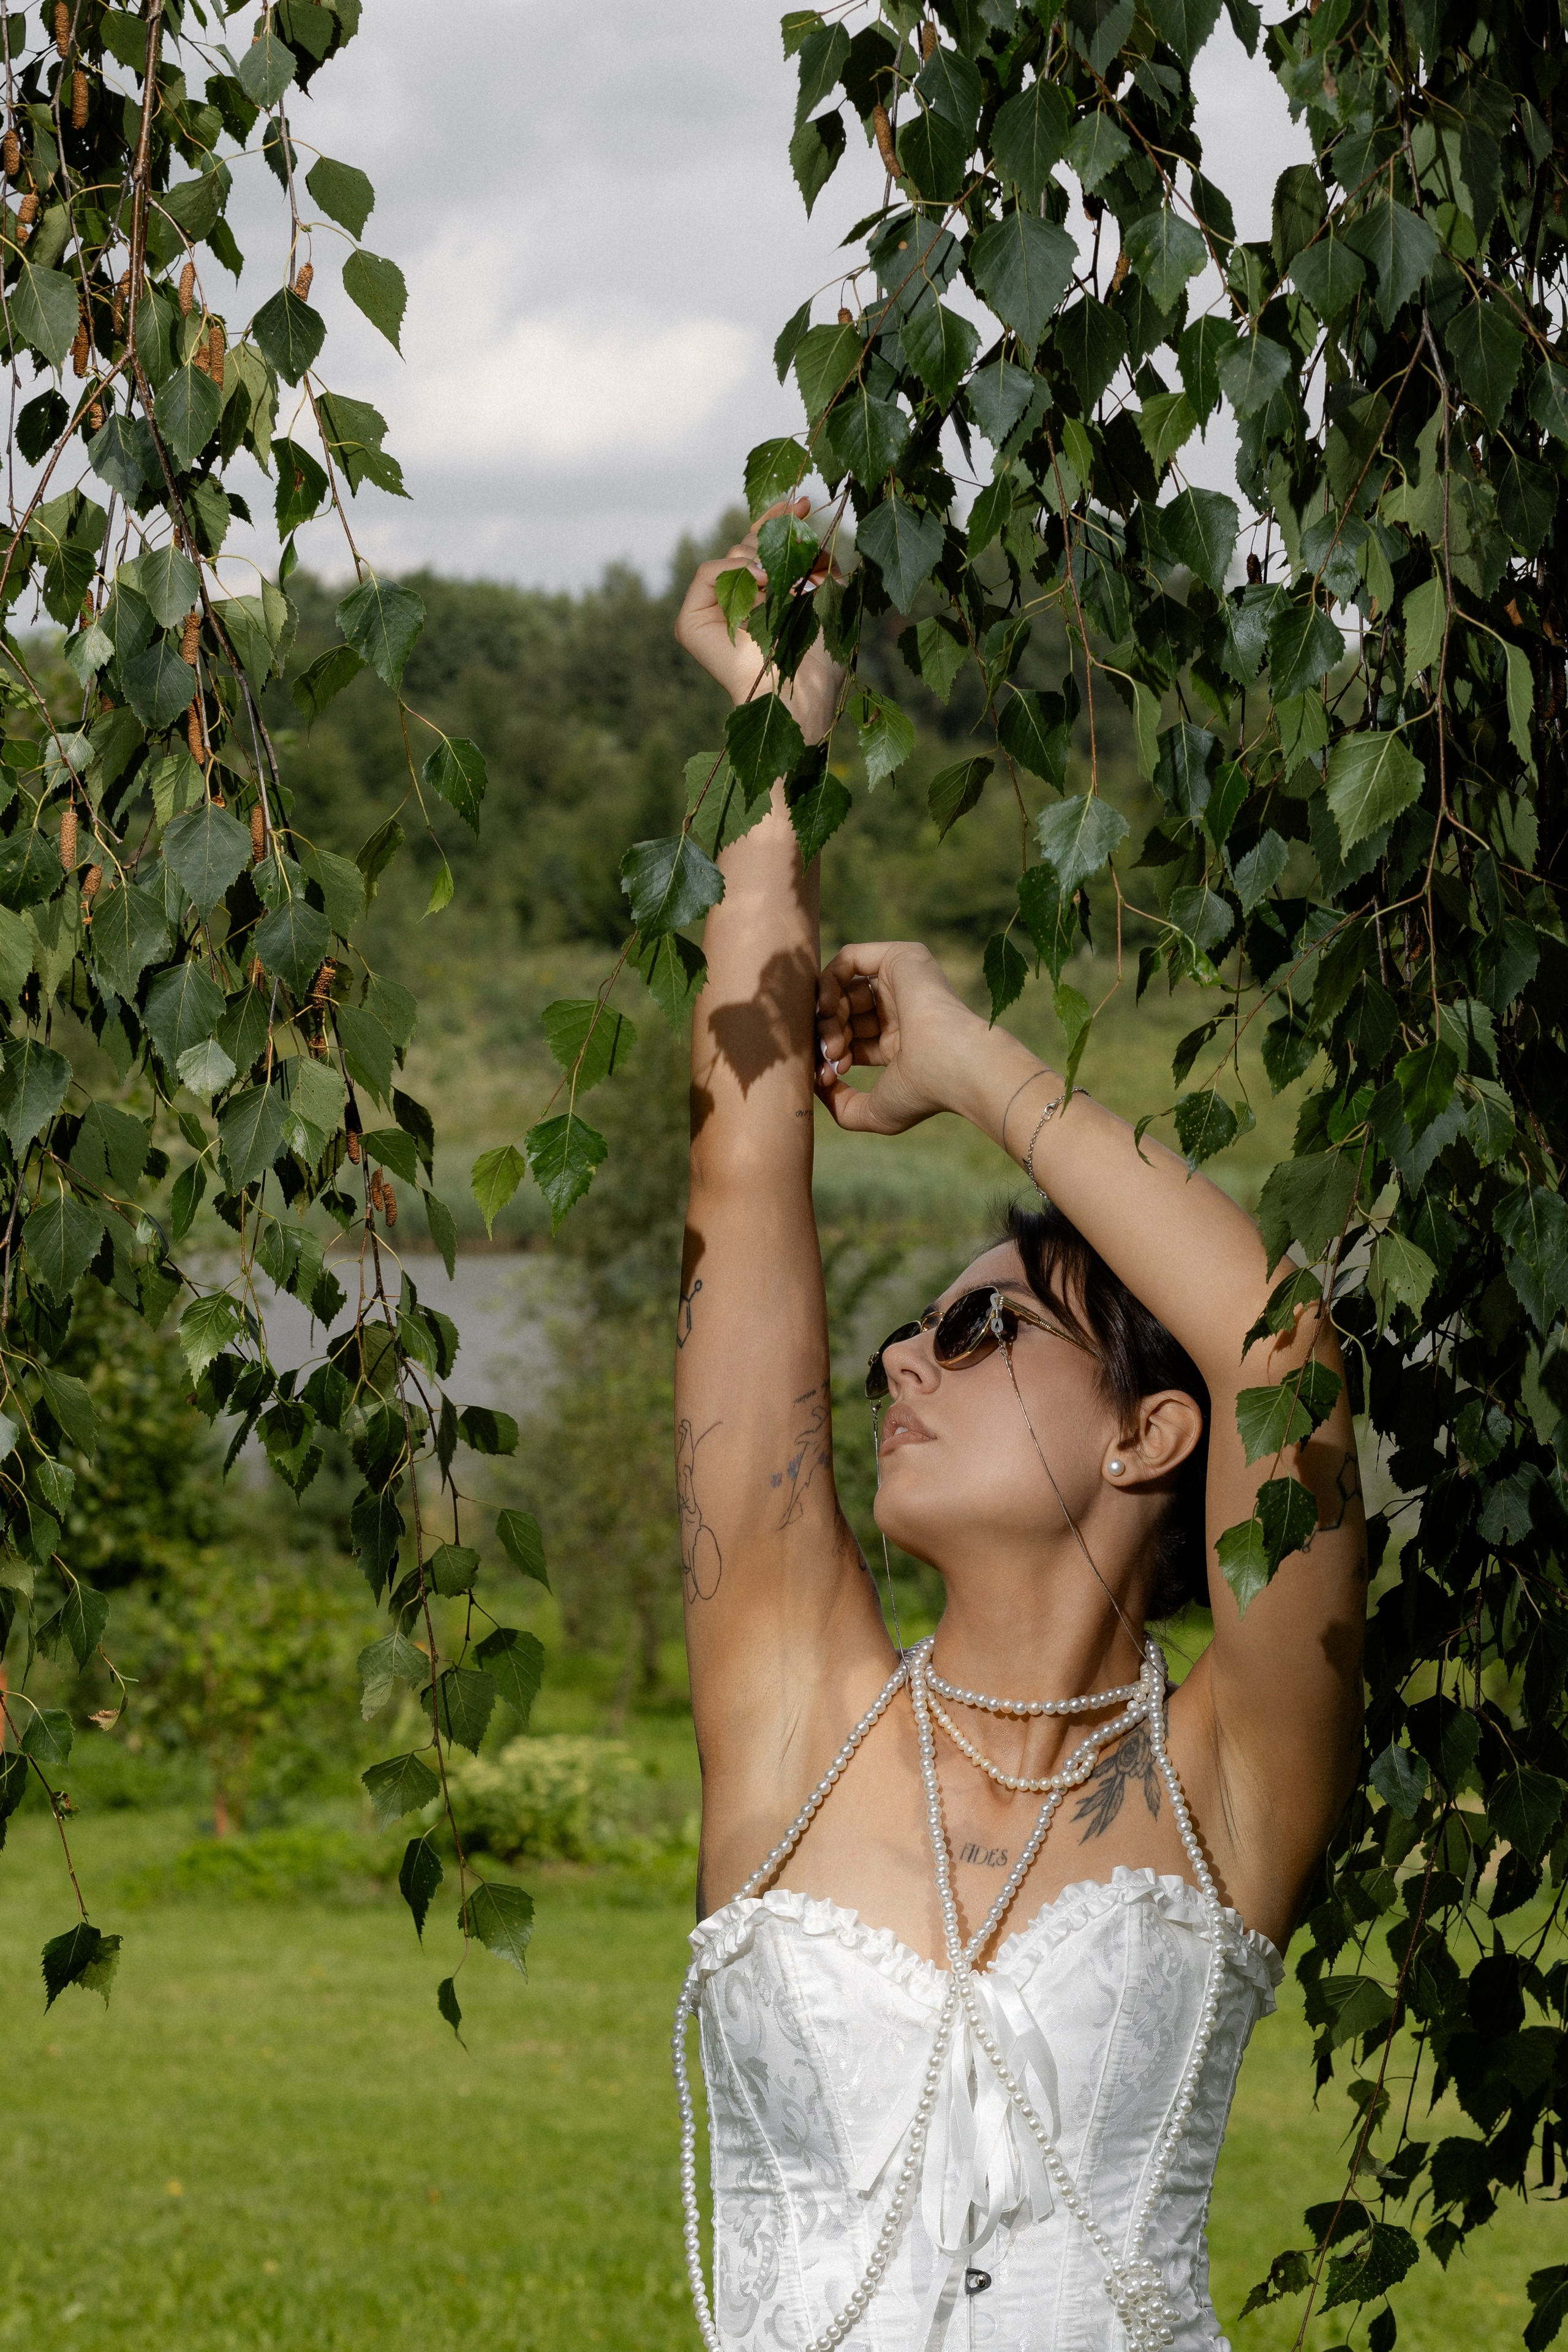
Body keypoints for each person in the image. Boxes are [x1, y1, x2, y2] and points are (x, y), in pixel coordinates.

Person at [668, 502, 1366, 2352]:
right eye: (917, 1331)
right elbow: (742, 1183)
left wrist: (976, 1065)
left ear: (1152, 1437)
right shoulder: (788, 1704)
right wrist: (770, 742)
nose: (905, 1359)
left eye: (984, 1331)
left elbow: (1283, 1352)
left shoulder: (1236, 1771)